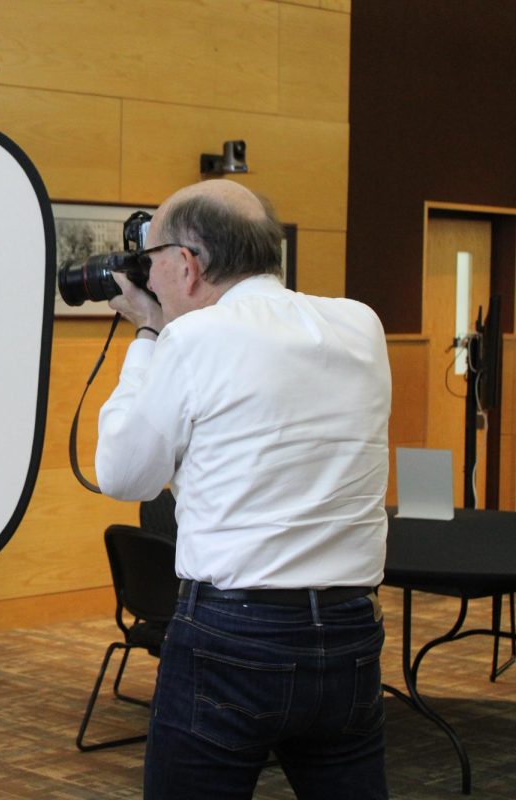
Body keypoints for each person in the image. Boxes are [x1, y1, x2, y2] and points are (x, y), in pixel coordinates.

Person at [95, 180, 391, 799]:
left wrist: (148, 336)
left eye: (152, 263)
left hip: (235, 634)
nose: (152, 279)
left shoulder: (193, 339)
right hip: (349, 631)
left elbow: (124, 474)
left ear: (188, 264)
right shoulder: (361, 325)